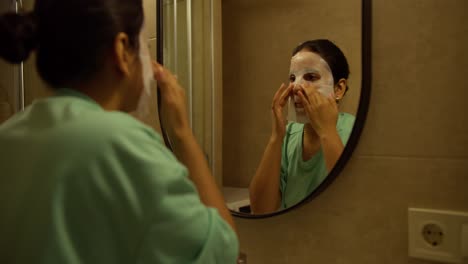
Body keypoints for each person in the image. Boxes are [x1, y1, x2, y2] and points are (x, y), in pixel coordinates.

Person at [0, 0, 238, 263]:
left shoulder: (8, 136)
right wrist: (182, 132)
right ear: (122, 50)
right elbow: (224, 252)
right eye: (145, 49)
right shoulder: (122, 143)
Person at [249, 39, 355, 214]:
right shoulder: (289, 134)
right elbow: (261, 210)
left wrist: (327, 131)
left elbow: (353, 202)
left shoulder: (354, 132)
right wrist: (277, 136)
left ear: (339, 89)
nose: (296, 86)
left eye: (311, 77)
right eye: (292, 78)